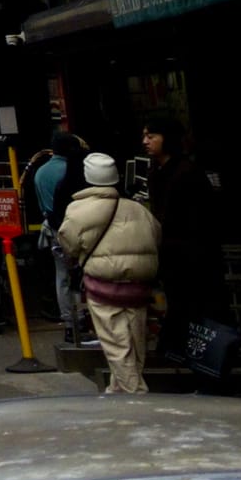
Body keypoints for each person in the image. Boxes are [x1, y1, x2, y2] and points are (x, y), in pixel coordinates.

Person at [58, 152, 162, 394]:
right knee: (135, 343)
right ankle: (117, 391)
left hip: (104, 285)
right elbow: (156, 235)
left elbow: (69, 242)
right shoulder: (137, 208)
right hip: (139, 285)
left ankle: (136, 396)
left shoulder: (79, 209)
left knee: (117, 346)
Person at [143, 114, 230, 360]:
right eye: (144, 136)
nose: (145, 141)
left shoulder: (187, 173)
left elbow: (199, 221)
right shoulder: (157, 172)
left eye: (151, 136)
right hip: (172, 258)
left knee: (199, 314)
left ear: (167, 139)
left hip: (194, 259)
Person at [34, 131, 90, 342]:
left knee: (62, 277)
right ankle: (83, 317)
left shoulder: (40, 172)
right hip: (76, 226)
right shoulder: (73, 170)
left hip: (53, 227)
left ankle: (69, 321)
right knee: (82, 275)